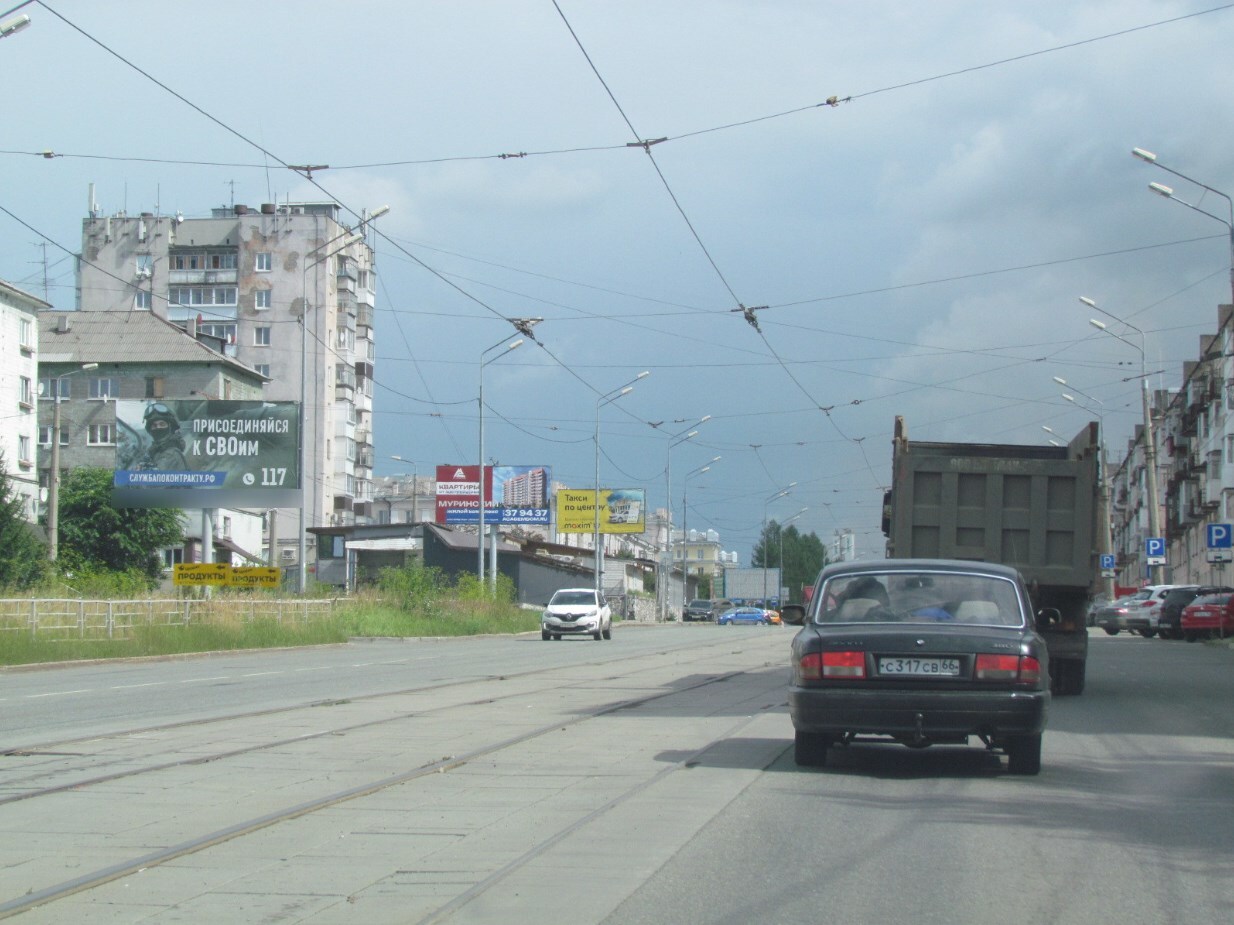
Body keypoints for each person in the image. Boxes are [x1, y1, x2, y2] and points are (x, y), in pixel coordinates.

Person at [136, 402, 188, 470]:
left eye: (162, 424)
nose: (158, 427)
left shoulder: (171, 454)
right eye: (154, 425)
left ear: (170, 427)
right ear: (150, 430)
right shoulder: (154, 452)